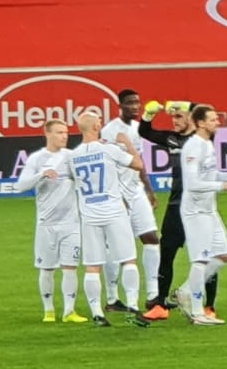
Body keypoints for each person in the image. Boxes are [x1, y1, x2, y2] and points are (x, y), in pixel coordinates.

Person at [69, 110, 150, 328]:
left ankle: (97, 313)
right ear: (96, 127)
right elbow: (138, 164)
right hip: (113, 211)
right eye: (99, 123)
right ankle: (133, 307)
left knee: (92, 266)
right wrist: (127, 143)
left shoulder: (73, 155)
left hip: (89, 214)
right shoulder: (109, 150)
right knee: (128, 260)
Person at [178, 104, 227, 327]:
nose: (217, 122)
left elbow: (209, 173)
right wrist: (225, 186)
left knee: (223, 255)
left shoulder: (208, 144)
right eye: (213, 119)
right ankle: (198, 312)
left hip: (209, 209)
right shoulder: (193, 147)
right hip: (196, 210)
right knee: (200, 259)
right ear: (200, 123)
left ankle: (186, 291)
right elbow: (193, 183)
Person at [13, 118, 84, 323]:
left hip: (71, 223)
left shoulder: (72, 157)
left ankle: (69, 311)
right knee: (47, 269)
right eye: (59, 132)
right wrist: (41, 175)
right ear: (48, 134)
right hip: (46, 224)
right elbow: (20, 186)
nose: (64, 136)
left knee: (70, 267)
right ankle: (49, 310)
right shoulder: (37, 159)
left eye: (66, 132)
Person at [133, 98, 193, 320]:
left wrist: (183, 103)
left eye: (179, 116)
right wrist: (149, 114)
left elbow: (204, 113)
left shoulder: (202, 140)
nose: (174, 121)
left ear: (192, 118)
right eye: (173, 116)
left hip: (197, 207)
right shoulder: (173, 139)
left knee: (204, 256)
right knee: (165, 254)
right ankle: (160, 304)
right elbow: (145, 131)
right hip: (176, 205)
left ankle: (206, 305)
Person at [101, 90, 161, 315]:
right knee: (118, 245)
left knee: (151, 238)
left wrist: (149, 189)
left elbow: (140, 162)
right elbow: (107, 163)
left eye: (137, 102)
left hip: (136, 190)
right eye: (130, 103)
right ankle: (112, 297)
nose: (135, 107)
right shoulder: (110, 130)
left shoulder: (137, 129)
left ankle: (153, 295)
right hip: (118, 193)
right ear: (120, 105)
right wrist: (115, 194)